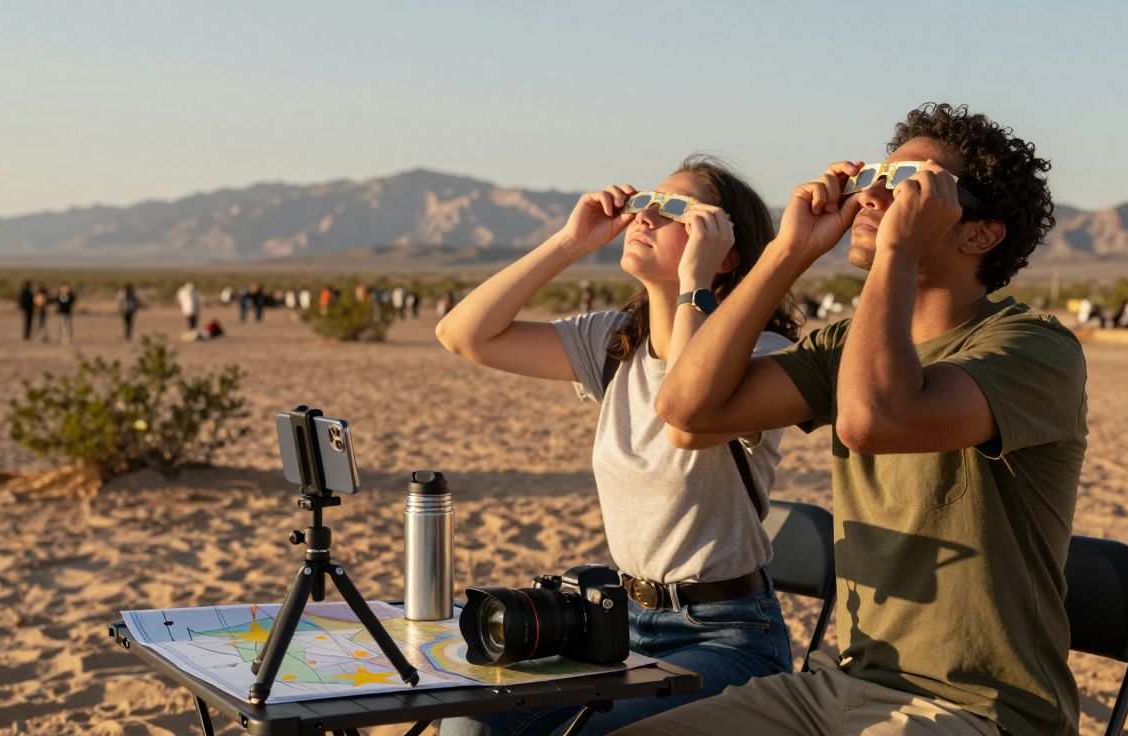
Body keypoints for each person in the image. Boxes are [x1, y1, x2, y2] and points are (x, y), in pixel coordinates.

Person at [634, 104, 1087, 736]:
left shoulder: (1034, 349)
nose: (871, 196)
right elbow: (687, 414)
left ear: (978, 235)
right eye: (873, 176)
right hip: (838, 686)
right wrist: (789, 251)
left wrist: (897, 246)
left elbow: (873, 420)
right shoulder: (846, 345)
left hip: (978, 709)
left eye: (909, 186)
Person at [436, 157, 804, 736]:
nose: (645, 217)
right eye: (645, 203)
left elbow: (688, 412)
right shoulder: (614, 343)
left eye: (674, 209)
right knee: (470, 720)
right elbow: (463, 334)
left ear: (725, 252)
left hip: (725, 634)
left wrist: (695, 283)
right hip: (618, 619)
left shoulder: (760, 353)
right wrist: (570, 242)